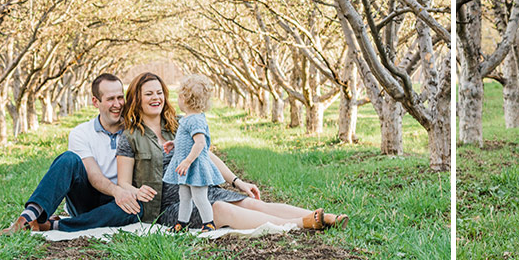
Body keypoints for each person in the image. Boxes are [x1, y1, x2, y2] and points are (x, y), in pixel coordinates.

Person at [117, 73, 347, 231]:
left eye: (159, 92)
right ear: (137, 98)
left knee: (252, 203)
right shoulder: (128, 137)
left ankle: (325, 217)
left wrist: (238, 182)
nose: (156, 98)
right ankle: (301, 223)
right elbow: (123, 183)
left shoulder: (180, 123)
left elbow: (206, 155)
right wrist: (136, 191)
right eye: (149, 94)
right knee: (221, 209)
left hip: (202, 187)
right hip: (170, 208)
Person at [0, 73, 144, 234]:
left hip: (117, 205)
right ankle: (27, 218)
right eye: (110, 99)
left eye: (120, 97)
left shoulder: (135, 132)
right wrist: (117, 192)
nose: (117, 104)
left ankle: (51, 226)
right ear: (95, 101)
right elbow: (94, 175)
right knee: (68, 159)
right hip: (87, 198)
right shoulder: (81, 133)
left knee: (137, 209)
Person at [163, 74, 226, 233]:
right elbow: (187, 139)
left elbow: (200, 143)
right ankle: (182, 223)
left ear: (185, 98)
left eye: (179, 96)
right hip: (187, 168)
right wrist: (174, 144)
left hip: (195, 167)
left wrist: (187, 161)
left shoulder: (195, 120)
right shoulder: (188, 118)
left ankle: (209, 223)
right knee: (184, 196)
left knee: (199, 197)